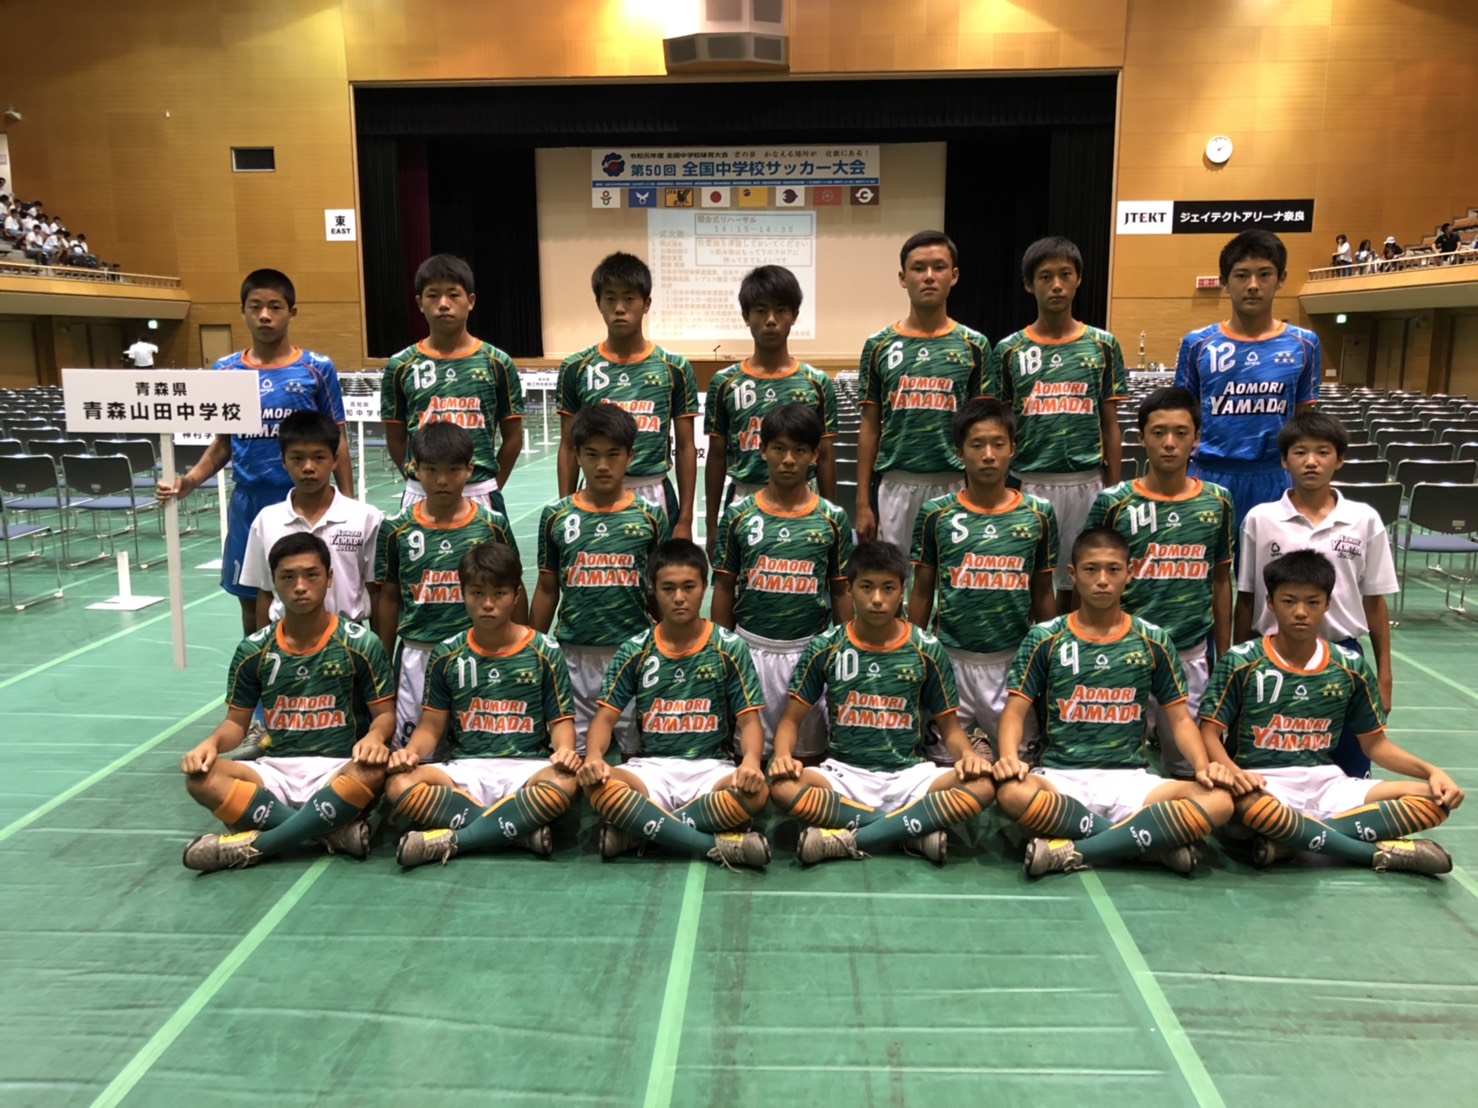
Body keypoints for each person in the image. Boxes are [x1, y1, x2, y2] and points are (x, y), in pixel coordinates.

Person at [991, 527, 1237, 877]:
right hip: (1061, 779)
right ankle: (1148, 844)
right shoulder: (1045, 638)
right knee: (1012, 793)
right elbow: (1015, 711)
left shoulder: (1153, 640)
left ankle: (1078, 850)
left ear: (1130, 572)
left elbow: (1181, 719)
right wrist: (1008, 758)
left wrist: (1201, 766)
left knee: (1219, 801)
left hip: (1131, 780)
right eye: (1091, 569)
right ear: (1073, 574)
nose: (1102, 580)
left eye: (1113, 569)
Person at [1202, 549, 1458, 875]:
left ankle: (1291, 842)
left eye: (1312, 602)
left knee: (1437, 800)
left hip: (1327, 785)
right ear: (1270, 603)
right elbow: (1208, 732)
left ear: (1328, 604)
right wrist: (1233, 772)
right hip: (1261, 784)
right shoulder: (1242, 661)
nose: (1300, 612)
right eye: (1289, 601)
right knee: (1252, 809)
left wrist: (1431, 772)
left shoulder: (1349, 666)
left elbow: (1375, 745)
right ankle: (1370, 853)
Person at [768, 540, 996, 865]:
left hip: (909, 776)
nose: (877, 599)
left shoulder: (926, 648)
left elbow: (950, 728)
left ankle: (850, 838)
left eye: (888, 588)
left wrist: (968, 756)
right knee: (782, 786)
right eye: (867, 587)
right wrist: (781, 756)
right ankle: (908, 830)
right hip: (845, 775)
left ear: (902, 591)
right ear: (850, 589)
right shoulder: (826, 646)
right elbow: (791, 721)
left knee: (983, 785)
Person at [179, 533, 395, 872]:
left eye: (311, 575)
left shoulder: (360, 643)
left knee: (377, 769)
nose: (300, 586)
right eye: (288, 577)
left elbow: (384, 715)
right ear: (274, 582)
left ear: (329, 578)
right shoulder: (254, 649)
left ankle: (261, 844)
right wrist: (211, 744)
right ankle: (330, 832)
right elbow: (236, 724)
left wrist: (375, 737)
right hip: (274, 771)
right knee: (201, 779)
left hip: (338, 769)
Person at [155, 269, 352, 635]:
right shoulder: (226, 370)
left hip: (307, 501)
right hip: (249, 503)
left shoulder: (316, 368)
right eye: (255, 306)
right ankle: (262, 669)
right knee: (252, 607)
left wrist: (348, 502)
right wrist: (190, 481)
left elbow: (336, 439)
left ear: (292, 312)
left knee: (316, 595)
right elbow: (224, 443)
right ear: (243, 311)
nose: (265, 315)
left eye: (275, 307)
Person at [576, 540, 772, 868]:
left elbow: (749, 720)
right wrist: (595, 757)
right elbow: (604, 718)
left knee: (757, 792)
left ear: (704, 587)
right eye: (668, 588)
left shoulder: (729, 647)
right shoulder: (635, 649)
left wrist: (751, 762)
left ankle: (642, 830)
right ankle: (711, 843)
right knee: (596, 785)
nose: (679, 597)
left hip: (711, 769)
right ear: (653, 590)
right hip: (651, 770)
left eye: (688, 587)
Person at [387, 542, 582, 867]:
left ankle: (459, 838)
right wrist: (411, 753)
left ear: (516, 595)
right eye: (477, 593)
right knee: (398, 783)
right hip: (466, 769)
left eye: (499, 594)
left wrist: (564, 751)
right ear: (462, 594)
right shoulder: (446, 654)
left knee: (566, 782)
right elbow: (431, 727)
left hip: (527, 769)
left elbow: (561, 722)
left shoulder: (545, 651)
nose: (488, 604)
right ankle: (516, 831)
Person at [1235, 411, 1396, 778]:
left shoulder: (1364, 519)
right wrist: (1238, 666)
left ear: (1339, 460)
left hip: (1343, 656)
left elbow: (1374, 601)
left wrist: (1384, 675)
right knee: (1272, 766)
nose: (1311, 461)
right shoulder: (1261, 518)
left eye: (1323, 452)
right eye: (1300, 452)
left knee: (1351, 766)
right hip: (1271, 657)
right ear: (1284, 461)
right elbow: (1246, 598)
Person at [1084, 387, 1234, 777]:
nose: (1169, 443)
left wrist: (1223, 655)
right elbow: (1090, 577)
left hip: (1189, 654)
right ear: (1141, 438)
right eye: (1158, 432)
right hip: (1123, 652)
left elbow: (1221, 581)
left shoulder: (1218, 501)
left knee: (1192, 770)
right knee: (1114, 769)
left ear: (1197, 438)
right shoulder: (1113, 502)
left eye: (1181, 433)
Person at [909, 397, 1057, 762]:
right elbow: (922, 592)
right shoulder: (935, 515)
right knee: (943, 768)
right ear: (959, 452)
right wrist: (912, 653)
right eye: (977, 445)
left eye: (997, 444)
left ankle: (987, 748)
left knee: (1020, 767)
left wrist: (1049, 658)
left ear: (1013, 449)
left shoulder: (1039, 514)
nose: (988, 455)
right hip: (950, 659)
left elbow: (1042, 592)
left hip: (1012, 662)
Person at [711, 404, 853, 758]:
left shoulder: (832, 518)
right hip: (750, 649)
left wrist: (845, 649)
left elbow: (840, 591)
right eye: (779, 449)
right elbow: (724, 587)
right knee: (748, 760)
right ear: (762, 450)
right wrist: (720, 652)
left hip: (808, 651)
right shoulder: (738, 515)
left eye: (799, 450)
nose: (788, 460)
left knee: (807, 760)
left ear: (815, 455)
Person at [996, 235, 1128, 611]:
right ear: (1029, 284)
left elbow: (1110, 423)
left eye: (1065, 275)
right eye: (1045, 276)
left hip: (1086, 480)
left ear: (1078, 279)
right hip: (1028, 480)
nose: (1056, 285)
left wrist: (1113, 490)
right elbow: (999, 427)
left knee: (1081, 580)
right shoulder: (1009, 350)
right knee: (1029, 579)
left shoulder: (1103, 345)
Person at [374, 421, 520, 749]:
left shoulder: (491, 524)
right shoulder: (396, 528)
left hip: (479, 651)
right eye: (432, 470)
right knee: (414, 755)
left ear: (469, 470)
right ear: (415, 469)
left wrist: (517, 648)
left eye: (453, 470)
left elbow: (512, 588)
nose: (442, 480)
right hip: (418, 654)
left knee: (480, 749)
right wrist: (383, 660)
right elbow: (389, 596)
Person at [532, 404, 666, 755]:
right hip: (573, 654)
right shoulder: (557, 516)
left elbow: (659, 590)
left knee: (639, 754)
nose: (603, 465)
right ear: (576, 455)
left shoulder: (650, 516)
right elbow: (546, 587)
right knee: (571, 755)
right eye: (592, 454)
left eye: (613, 454)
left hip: (632, 651)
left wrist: (668, 641)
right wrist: (532, 647)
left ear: (630, 455)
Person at [855, 230, 996, 551]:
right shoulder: (879, 345)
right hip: (896, 485)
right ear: (903, 278)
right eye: (919, 268)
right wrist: (862, 503)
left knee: (954, 576)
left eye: (939, 267)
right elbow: (870, 426)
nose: (929, 276)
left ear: (954, 275)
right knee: (895, 577)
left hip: (955, 483)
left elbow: (984, 429)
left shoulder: (974, 345)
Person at [1174, 231, 1321, 536]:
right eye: (1241, 275)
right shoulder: (1198, 344)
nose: (1253, 285)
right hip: (1210, 475)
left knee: (1273, 566)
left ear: (1281, 278)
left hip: (1275, 478)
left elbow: (1304, 422)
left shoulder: (1304, 344)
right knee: (1206, 564)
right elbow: (1180, 419)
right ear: (1224, 282)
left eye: (1264, 274)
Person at [557, 252, 699, 538]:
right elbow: (569, 447)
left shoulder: (674, 368)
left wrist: (685, 519)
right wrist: (566, 507)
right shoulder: (576, 367)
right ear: (598, 303)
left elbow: (686, 447)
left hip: (655, 491)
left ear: (646, 303)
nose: (619, 308)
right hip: (594, 492)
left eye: (629, 298)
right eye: (610, 298)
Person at [704, 264, 839, 548]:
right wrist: (712, 524)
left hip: (803, 501)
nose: (771, 320)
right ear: (746, 316)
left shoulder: (816, 383)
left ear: (794, 316)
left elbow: (825, 456)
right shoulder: (725, 383)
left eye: (781, 310)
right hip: (744, 496)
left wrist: (831, 521)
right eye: (760, 310)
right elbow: (716, 456)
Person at [380, 254, 524, 515]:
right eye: (433, 295)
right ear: (419, 303)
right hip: (420, 492)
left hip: (480, 490)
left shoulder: (497, 362)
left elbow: (513, 438)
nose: (443, 304)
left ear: (471, 301)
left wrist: (491, 485)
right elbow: (396, 438)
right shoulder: (400, 365)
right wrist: (421, 479)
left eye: (453, 295)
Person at [239, 410, 383, 631]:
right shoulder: (267, 521)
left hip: (350, 639)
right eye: (297, 458)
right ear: (283, 461)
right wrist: (263, 648)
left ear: (335, 460)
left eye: (318, 457)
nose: (308, 467)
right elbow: (265, 593)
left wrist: (379, 650)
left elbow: (376, 591)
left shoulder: (366, 518)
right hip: (286, 638)